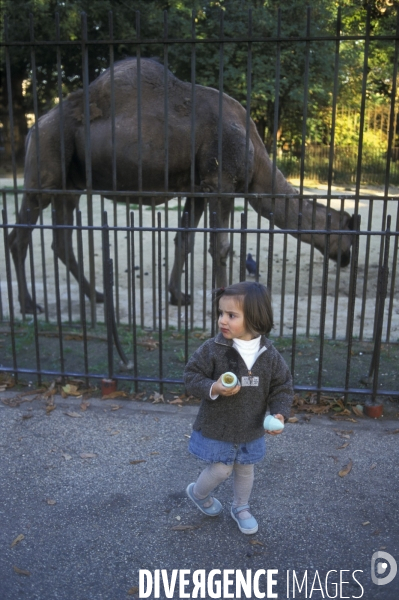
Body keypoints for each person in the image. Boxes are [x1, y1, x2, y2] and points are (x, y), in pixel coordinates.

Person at [184, 281, 293, 534]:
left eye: (231, 315)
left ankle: (241, 507)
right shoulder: (213, 349)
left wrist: (279, 413)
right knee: (221, 469)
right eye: (221, 313)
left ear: (255, 318)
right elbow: (191, 376)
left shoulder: (269, 354)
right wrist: (214, 387)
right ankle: (199, 493)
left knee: (246, 469)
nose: (223, 320)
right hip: (219, 425)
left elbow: (282, 386)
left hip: (251, 427)